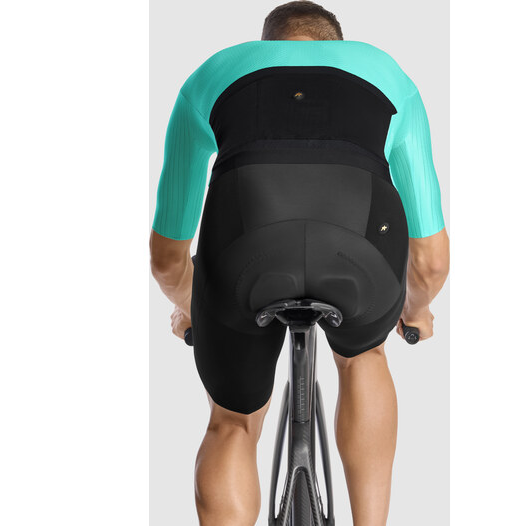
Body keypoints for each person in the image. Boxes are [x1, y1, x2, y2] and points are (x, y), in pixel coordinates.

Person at [149, 1, 449, 524]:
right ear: (338, 47)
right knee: (364, 356)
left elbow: (166, 256)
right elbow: (431, 258)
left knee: (232, 422)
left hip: (243, 251)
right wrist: (416, 310)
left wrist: (192, 307)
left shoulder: (213, 73)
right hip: (360, 254)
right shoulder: (387, 73)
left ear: (266, 46)